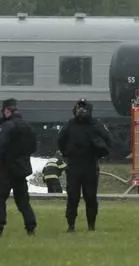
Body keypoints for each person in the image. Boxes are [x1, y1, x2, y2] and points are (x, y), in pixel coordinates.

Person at [57, 98, 113, 232]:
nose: (81, 111)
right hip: (75, 164)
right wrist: (67, 153)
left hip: (89, 164)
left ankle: (91, 226)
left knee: (90, 197)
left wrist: (100, 153)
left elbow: (108, 140)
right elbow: (60, 141)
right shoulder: (71, 125)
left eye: (83, 108)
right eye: (78, 108)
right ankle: (71, 225)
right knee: (73, 197)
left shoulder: (95, 125)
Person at [0, 98, 38, 236]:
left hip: (7, 169)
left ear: (6, 111)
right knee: (23, 201)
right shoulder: (28, 127)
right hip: (21, 170)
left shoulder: (7, 127)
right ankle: (30, 226)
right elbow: (33, 147)